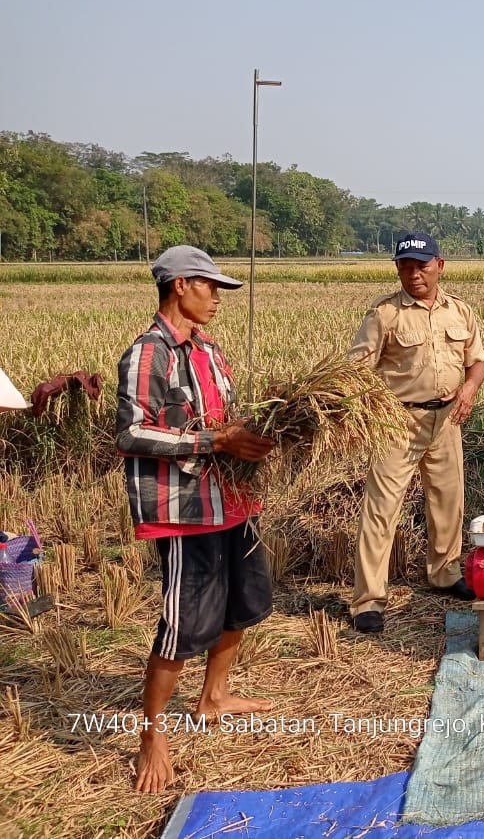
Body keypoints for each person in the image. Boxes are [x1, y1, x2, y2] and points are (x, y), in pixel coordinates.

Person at [115, 245, 276, 793]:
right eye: (209, 286)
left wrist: (265, 429)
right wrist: (213, 439)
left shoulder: (209, 351)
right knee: (186, 622)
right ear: (179, 285)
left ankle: (213, 697)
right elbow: (130, 433)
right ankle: (151, 735)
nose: (216, 298)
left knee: (245, 599)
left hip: (232, 499)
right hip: (185, 509)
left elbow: (227, 421)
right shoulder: (148, 354)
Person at [347, 232, 484, 634]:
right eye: (406, 267)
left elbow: (476, 362)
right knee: (381, 510)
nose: (414, 274)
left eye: (422, 266)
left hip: (446, 422)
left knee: (448, 503)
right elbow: (356, 372)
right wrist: (370, 414)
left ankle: (443, 573)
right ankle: (368, 600)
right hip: (397, 423)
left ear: (439, 266)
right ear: (397, 269)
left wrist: (469, 388)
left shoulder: (459, 311)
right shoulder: (384, 314)